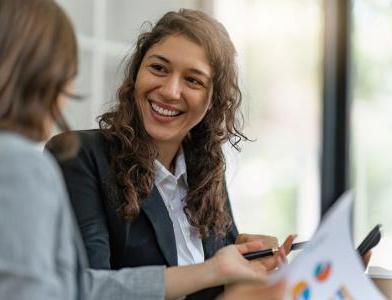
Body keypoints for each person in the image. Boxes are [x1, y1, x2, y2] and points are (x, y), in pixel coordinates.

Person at [0, 0, 288, 299]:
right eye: (158, 68)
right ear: (136, 73)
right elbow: (85, 289)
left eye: (193, 80)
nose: (170, 90)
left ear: (213, 101)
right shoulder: (78, 156)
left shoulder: (206, 172)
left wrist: (247, 270)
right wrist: (220, 276)